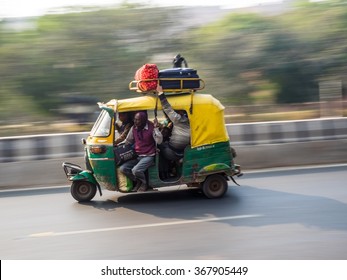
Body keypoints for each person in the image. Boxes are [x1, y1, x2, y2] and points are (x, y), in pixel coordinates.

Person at [119, 111, 162, 192]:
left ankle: (144, 183)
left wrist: (156, 129)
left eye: (137, 120)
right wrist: (117, 145)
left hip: (149, 155)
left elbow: (159, 141)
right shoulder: (134, 128)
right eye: (134, 119)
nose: (135, 121)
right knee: (123, 169)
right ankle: (138, 181)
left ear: (143, 120)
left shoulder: (151, 127)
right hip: (138, 155)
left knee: (136, 170)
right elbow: (128, 141)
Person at [156, 84, 190, 178]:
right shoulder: (191, 119)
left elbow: (167, 108)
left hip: (174, 151)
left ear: (180, 112)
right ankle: (170, 168)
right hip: (184, 149)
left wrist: (161, 94)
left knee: (157, 147)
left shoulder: (178, 119)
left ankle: (164, 173)